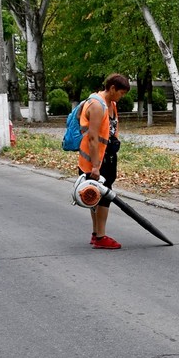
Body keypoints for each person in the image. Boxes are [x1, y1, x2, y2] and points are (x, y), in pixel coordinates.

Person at [77, 74, 131, 249]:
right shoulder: (97, 105)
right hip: (95, 161)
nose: (121, 97)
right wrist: (95, 166)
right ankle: (100, 237)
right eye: (121, 93)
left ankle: (96, 234)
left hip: (107, 158)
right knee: (101, 197)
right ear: (112, 88)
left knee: (97, 196)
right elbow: (92, 138)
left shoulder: (111, 105)